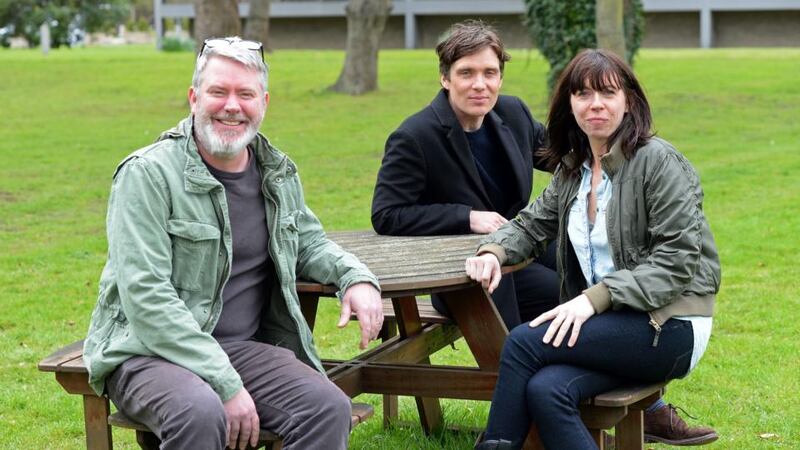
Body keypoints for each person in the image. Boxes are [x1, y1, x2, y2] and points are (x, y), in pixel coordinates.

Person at [83, 37, 384, 450]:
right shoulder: (147, 175)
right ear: (193, 98)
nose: (232, 106)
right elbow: (146, 297)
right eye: (218, 92)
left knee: (326, 407)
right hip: (146, 350)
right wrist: (225, 384)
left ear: (264, 102)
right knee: (200, 412)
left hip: (241, 347)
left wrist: (356, 278)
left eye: (245, 94)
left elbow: (309, 243)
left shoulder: (275, 171)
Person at [467, 49, 720, 449]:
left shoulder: (659, 163)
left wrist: (592, 300)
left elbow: (676, 263)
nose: (595, 104)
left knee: (522, 341)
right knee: (547, 389)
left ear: (629, 102)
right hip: (613, 323)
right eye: (583, 94)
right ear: (570, 104)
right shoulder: (575, 168)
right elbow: (533, 224)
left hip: (671, 324)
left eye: (607, 93)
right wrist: (493, 252)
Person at [371, 20, 560, 329]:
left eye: (489, 73)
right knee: (559, 293)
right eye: (466, 73)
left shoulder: (514, 114)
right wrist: (467, 217)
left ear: (500, 77)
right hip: (462, 270)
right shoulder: (415, 136)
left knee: (588, 274)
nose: (479, 84)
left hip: (515, 244)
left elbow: (561, 158)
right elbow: (387, 214)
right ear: (445, 78)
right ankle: (526, 371)